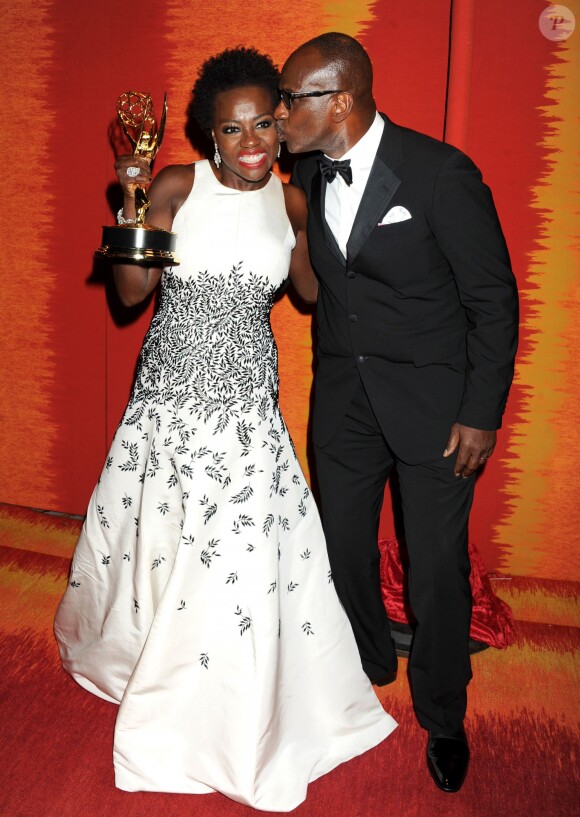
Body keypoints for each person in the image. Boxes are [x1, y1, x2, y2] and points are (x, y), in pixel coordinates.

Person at [54, 47, 396, 811]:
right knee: (162, 534)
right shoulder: (181, 185)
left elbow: (309, 291)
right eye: (232, 128)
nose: (250, 142)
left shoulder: (293, 200)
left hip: (247, 407)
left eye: (264, 125)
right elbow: (131, 292)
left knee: (238, 552)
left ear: (281, 126)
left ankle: (231, 700)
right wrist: (132, 193)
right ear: (210, 135)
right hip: (171, 397)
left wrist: (336, 224)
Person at [275, 32, 518, 793]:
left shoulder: (441, 173)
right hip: (345, 401)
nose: (281, 116)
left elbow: (493, 300)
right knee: (342, 547)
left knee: (436, 570)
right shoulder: (310, 171)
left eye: (290, 100)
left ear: (339, 100)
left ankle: (444, 714)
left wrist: (482, 411)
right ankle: (370, 661)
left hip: (438, 407)